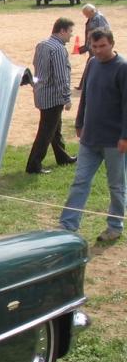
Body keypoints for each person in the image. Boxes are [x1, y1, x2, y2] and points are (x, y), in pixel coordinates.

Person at [59, 28, 127, 242]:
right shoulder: (92, 63)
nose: (97, 51)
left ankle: (115, 226)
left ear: (112, 44)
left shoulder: (123, 68)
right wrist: (80, 122)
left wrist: (124, 136)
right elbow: (86, 95)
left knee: (116, 185)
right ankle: (67, 226)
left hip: (114, 141)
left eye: (102, 46)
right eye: (94, 46)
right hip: (90, 138)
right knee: (80, 181)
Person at [25, 17, 76, 174]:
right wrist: (66, 98)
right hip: (53, 97)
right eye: (70, 32)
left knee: (55, 128)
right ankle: (34, 165)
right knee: (46, 132)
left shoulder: (42, 45)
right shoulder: (59, 49)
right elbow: (61, 76)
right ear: (62, 31)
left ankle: (62, 157)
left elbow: (36, 66)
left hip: (42, 94)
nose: (71, 36)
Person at [76, 4, 110, 89]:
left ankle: (85, 85)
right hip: (92, 46)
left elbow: (104, 32)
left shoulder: (99, 18)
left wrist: (93, 34)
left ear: (92, 11)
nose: (85, 16)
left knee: (92, 65)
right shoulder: (92, 18)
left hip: (97, 48)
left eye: (86, 14)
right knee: (91, 64)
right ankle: (84, 85)